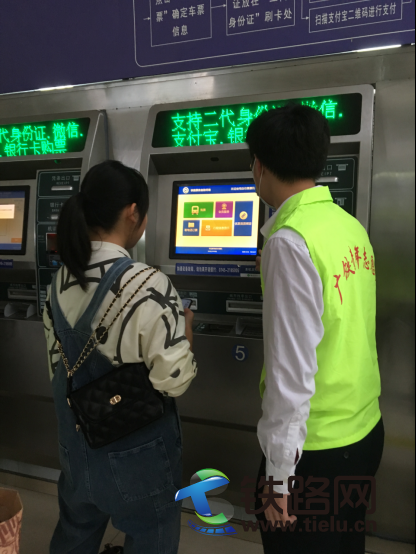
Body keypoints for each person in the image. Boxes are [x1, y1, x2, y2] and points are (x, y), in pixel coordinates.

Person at [246, 105, 384, 554]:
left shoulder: (289, 241)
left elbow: (290, 373)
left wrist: (278, 478)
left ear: (260, 165)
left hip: (315, 450)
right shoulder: (348, 226)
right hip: (364, 432)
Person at [43, 161, 197, 554]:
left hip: (75, 449)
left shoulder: (58, 282)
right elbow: (174, 381)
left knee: (75, 533)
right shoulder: (149, 284)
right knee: (151, 536)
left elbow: (57, 367)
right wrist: (186, 334)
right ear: (132, 213)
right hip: (138, 459)